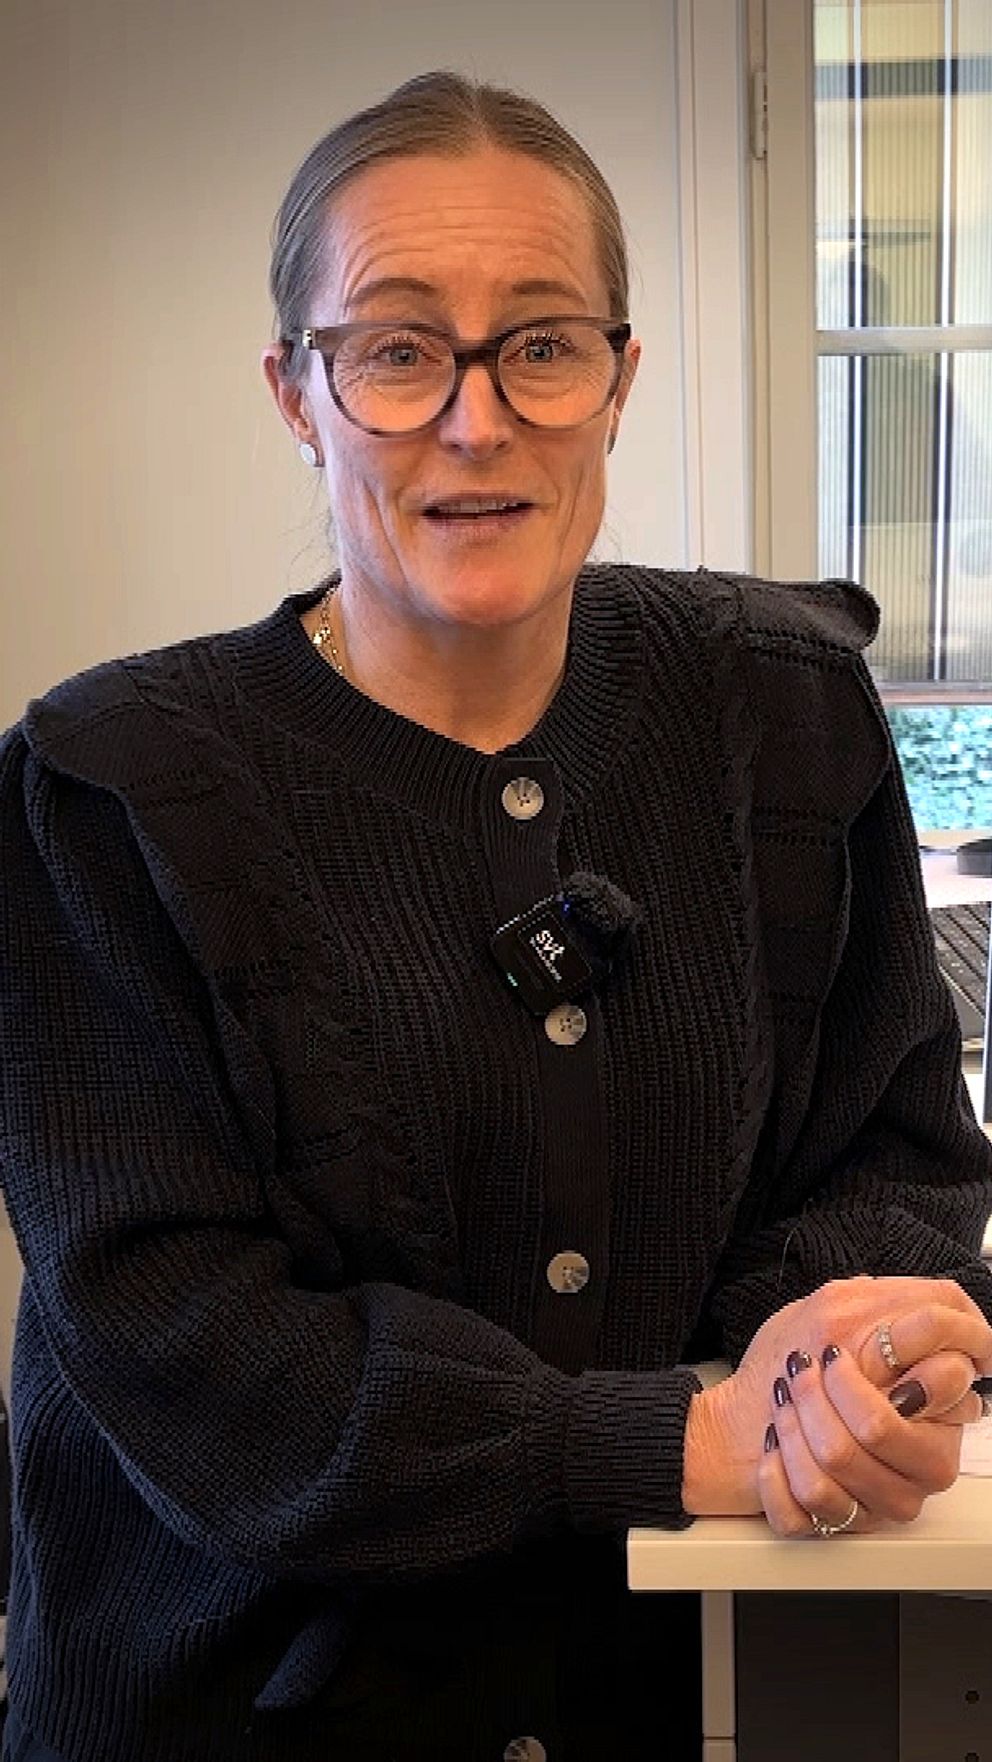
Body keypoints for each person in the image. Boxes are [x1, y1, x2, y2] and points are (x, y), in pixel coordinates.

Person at [1, 67, 992, 1762]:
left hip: (674, 1691)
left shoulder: (783, 713)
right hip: (234, 1709)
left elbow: (896, 1154)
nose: (478, 421)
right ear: (297, 395)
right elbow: (195, 1346)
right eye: (398, 350)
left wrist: (833, 1354)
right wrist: (677, 1438)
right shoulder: (109, 799)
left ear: (620, 380)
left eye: (542, 342)